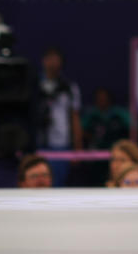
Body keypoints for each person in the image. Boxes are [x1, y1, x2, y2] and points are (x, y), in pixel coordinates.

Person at [38, 47, 83, 187]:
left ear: (61, 63)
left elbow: (75, 117)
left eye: (56, 59)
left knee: (58, 184)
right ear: (43, 61)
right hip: (39, 143)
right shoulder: (34, 85)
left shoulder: (69, 88)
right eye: (49, 59)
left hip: (61, 145)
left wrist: (78, 147)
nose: (52, 63)